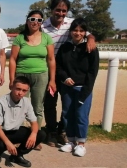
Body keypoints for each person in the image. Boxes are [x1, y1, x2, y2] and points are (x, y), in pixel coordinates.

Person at [42, 0, 96, 147]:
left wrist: (91, 38)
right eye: (57, 10)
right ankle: (52, 132)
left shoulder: (71, 23)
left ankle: (63, 131)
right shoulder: (43, 26)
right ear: (51, 10)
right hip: (49, 71)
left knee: (67, 106)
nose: (60, 13)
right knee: (50, 103)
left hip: (67, 70)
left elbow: (85, 32)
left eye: (64, 10)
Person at [9, 10, 56, 149]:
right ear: (27, 20)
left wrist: (52, 80)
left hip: (41, 75)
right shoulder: (20, 38)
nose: (35, 22)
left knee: (37, 107)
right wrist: (12, 79)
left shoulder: (47, 38)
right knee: (18, 106)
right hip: (22, 75)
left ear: (42, 23)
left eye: (39, 20)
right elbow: (12, 59)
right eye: (32, 19)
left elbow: (51, 59)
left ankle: (35, 137)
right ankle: (18, 135)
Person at [56, 18, 99, 157]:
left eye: (81, 31)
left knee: (81, 115)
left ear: (85, 33)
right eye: (75, 30)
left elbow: (93, 72)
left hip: (83, 88)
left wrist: (86, 90)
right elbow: (59, 66)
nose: (78, 33)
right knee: (67, 114)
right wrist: (65, 78)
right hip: (67, 87)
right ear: (70, 32)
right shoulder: (64, 48)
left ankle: (81, 144)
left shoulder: (91, 49)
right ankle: (71, 141)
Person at [0, 76, 45, 167]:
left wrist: (33, 134)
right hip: (1, 132)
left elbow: (34, 122)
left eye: (24, 91)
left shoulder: (26, 102)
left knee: (41, 134)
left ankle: (17, 155)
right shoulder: (0, 102)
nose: (20, 93)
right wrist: (8, 143)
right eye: (18, 89)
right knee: (0, 146)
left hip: (15, 131)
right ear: (12, 87)